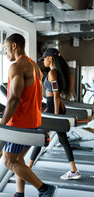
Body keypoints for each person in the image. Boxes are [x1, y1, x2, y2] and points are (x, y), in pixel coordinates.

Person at [0, 34, 57, 197]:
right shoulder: (34, 66)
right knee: (18, 160)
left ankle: (43, 189)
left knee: (8, 160)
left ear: (14, 46)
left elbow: (14, 98)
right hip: (33, 122)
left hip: (20, 124)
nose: (5, 52)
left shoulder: (16, 66)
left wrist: (1, 125)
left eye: (6, 48)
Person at [28, 48, 81, 180]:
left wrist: (56, 115)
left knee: (39, 138)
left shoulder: (52, 73)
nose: (43, 61)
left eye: (44, 58)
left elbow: (56, 95)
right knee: (62, 140)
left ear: (50, 58)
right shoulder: (53, 73)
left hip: (54, 109)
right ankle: (74, 170)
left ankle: (27, 168)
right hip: (52, 108)